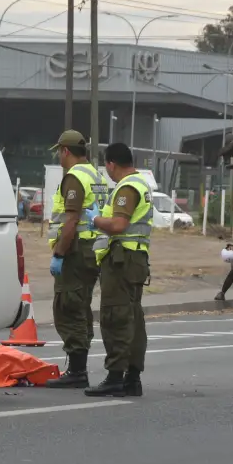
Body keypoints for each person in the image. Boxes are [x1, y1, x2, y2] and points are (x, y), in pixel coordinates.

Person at [81, 143, 152, 398]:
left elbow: (119, 224)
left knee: (116, 317)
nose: (107, 171)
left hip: (122, 260)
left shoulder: (127, 187)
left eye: (107, 166)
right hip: (134, 259)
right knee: (132, 317)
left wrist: (96, 219)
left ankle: (115, 377)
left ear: (111, 163)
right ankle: (132, 379)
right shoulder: (142, 184)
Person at [44, 130, 109, 389]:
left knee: (68, 305)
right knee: (81, 306)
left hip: (77, 251)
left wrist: (59, 253)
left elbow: (71, 220)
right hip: (94, 248)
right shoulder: (96, 174)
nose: (59, 157)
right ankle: (78, 367)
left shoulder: (74, 178)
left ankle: (77, 370)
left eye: (59, 152)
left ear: (66, 151)